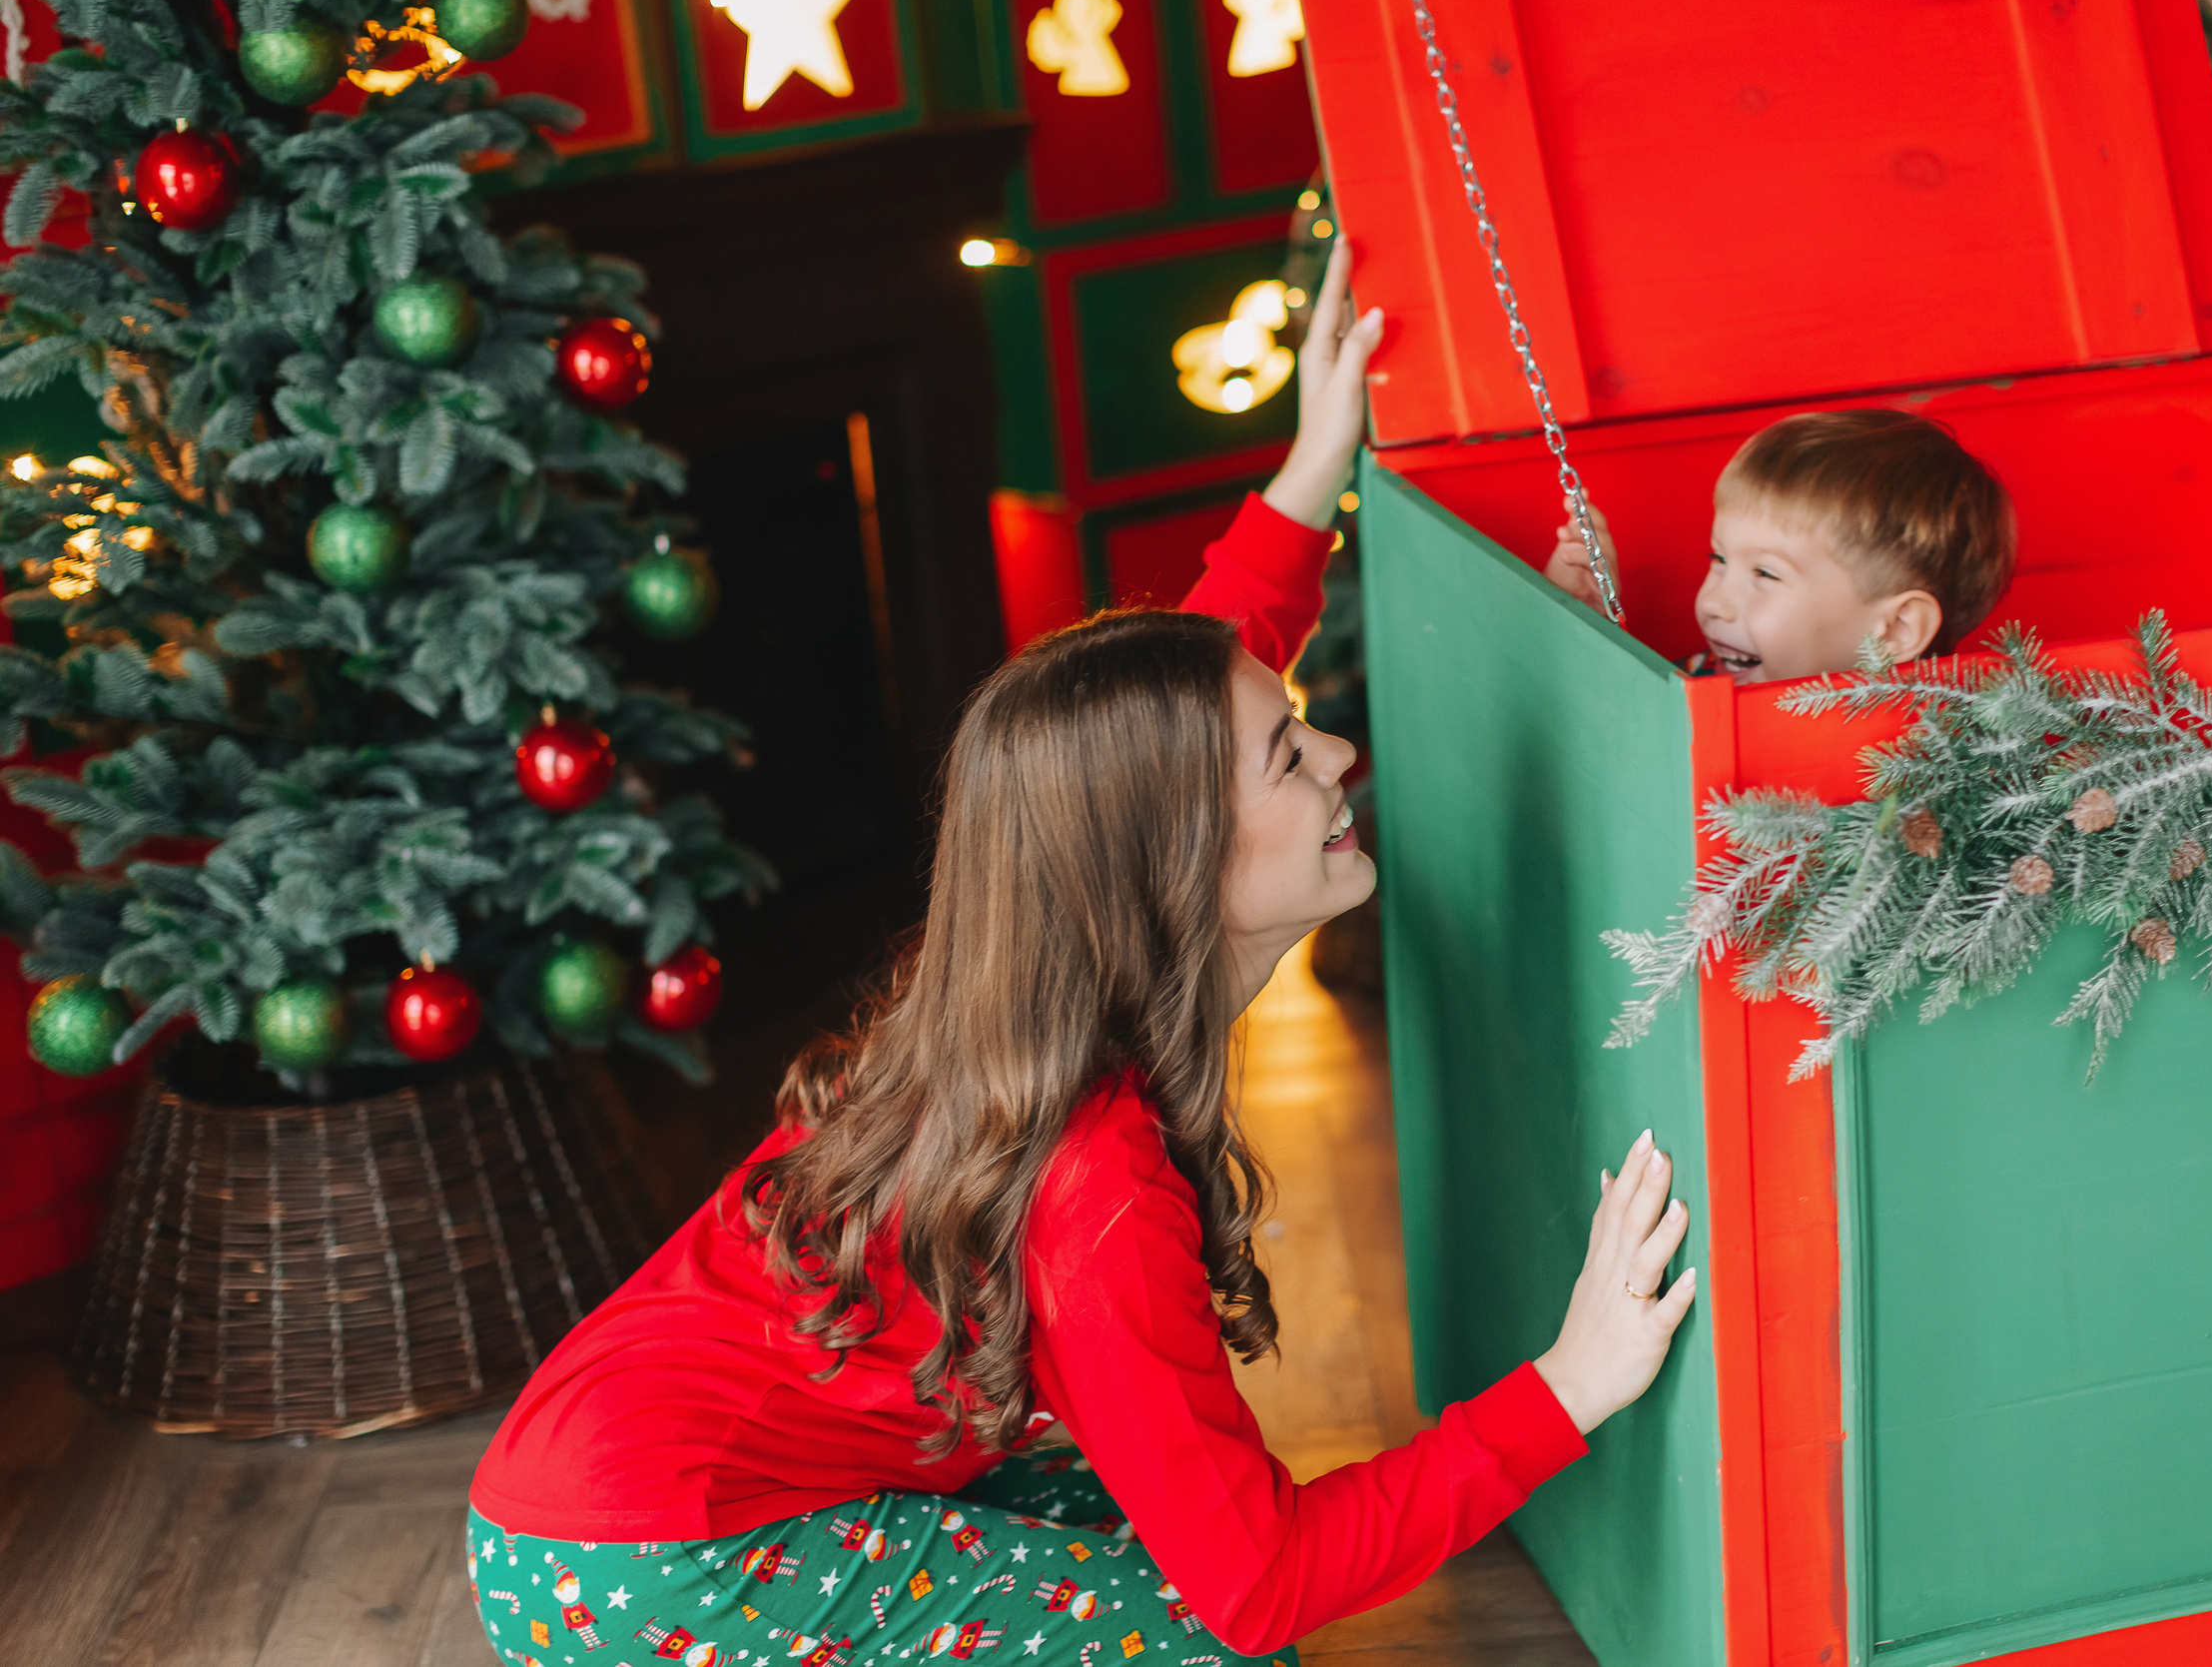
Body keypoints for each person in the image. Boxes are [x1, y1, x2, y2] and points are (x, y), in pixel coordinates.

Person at [464, 244, 1697, 1667]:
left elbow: (1181, 697)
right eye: (1291, 754)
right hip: (652, 1561)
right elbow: (1260, 1585)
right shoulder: (1097, 1183)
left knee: (1153, 1525)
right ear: (1173, 861)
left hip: (581, 1490)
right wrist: (1570, 1385)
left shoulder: (1039, 946)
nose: (1339, 757)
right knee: (1210, 1635)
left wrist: (1315, 463)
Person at [1544, 409, 2017, 683]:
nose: (1714, 602)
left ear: (1895, 630)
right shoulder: (1700, 681)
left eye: (1765, 574)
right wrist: (1580, 623)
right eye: (1719, 559)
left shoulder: (1949, 767)